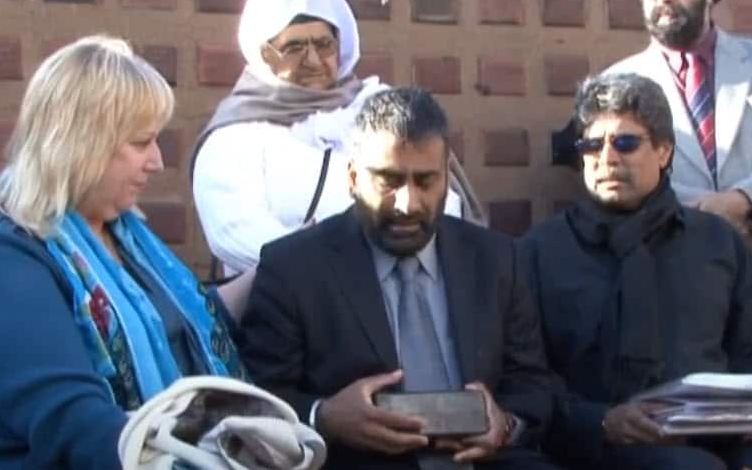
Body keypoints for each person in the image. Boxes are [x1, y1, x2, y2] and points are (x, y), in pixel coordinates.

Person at [0, 35, 252, 469]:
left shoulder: (124, 235)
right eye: (141, 143)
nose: (157, 161)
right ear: (81, 144)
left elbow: (181, 322)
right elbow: (74, 424)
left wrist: (281, 268)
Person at [239, 88, 557, 469]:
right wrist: (323, 417)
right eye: (389, 180)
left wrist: (504, 424)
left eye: (425, 181)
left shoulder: (497, 259)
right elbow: (258, 400)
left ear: (446, 179)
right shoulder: (293, 267)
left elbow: (533, 384)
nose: (408, 204)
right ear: (354, 178)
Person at [517, 72, 752, 470]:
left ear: (664, 151)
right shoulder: (539, 252)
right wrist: (600, 420)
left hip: (720, 436)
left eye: (626, 143)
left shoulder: (716, 243)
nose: (607, 158)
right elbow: (526, 377)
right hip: (600, 442)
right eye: (592, 145)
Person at [191, 0, 484, 279]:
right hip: (290, 304)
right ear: (265, 54)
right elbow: (235, 233)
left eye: (324, 44)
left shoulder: (379, 109)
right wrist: (335, 273)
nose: (314, 60)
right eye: (295, 48)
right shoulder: (235, 135)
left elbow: (443, 204)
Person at [606, 0, 752, 354]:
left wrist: (741, 203)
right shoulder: (618, 84)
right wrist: (710, 218)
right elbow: (625, 179)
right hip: (676, 305)